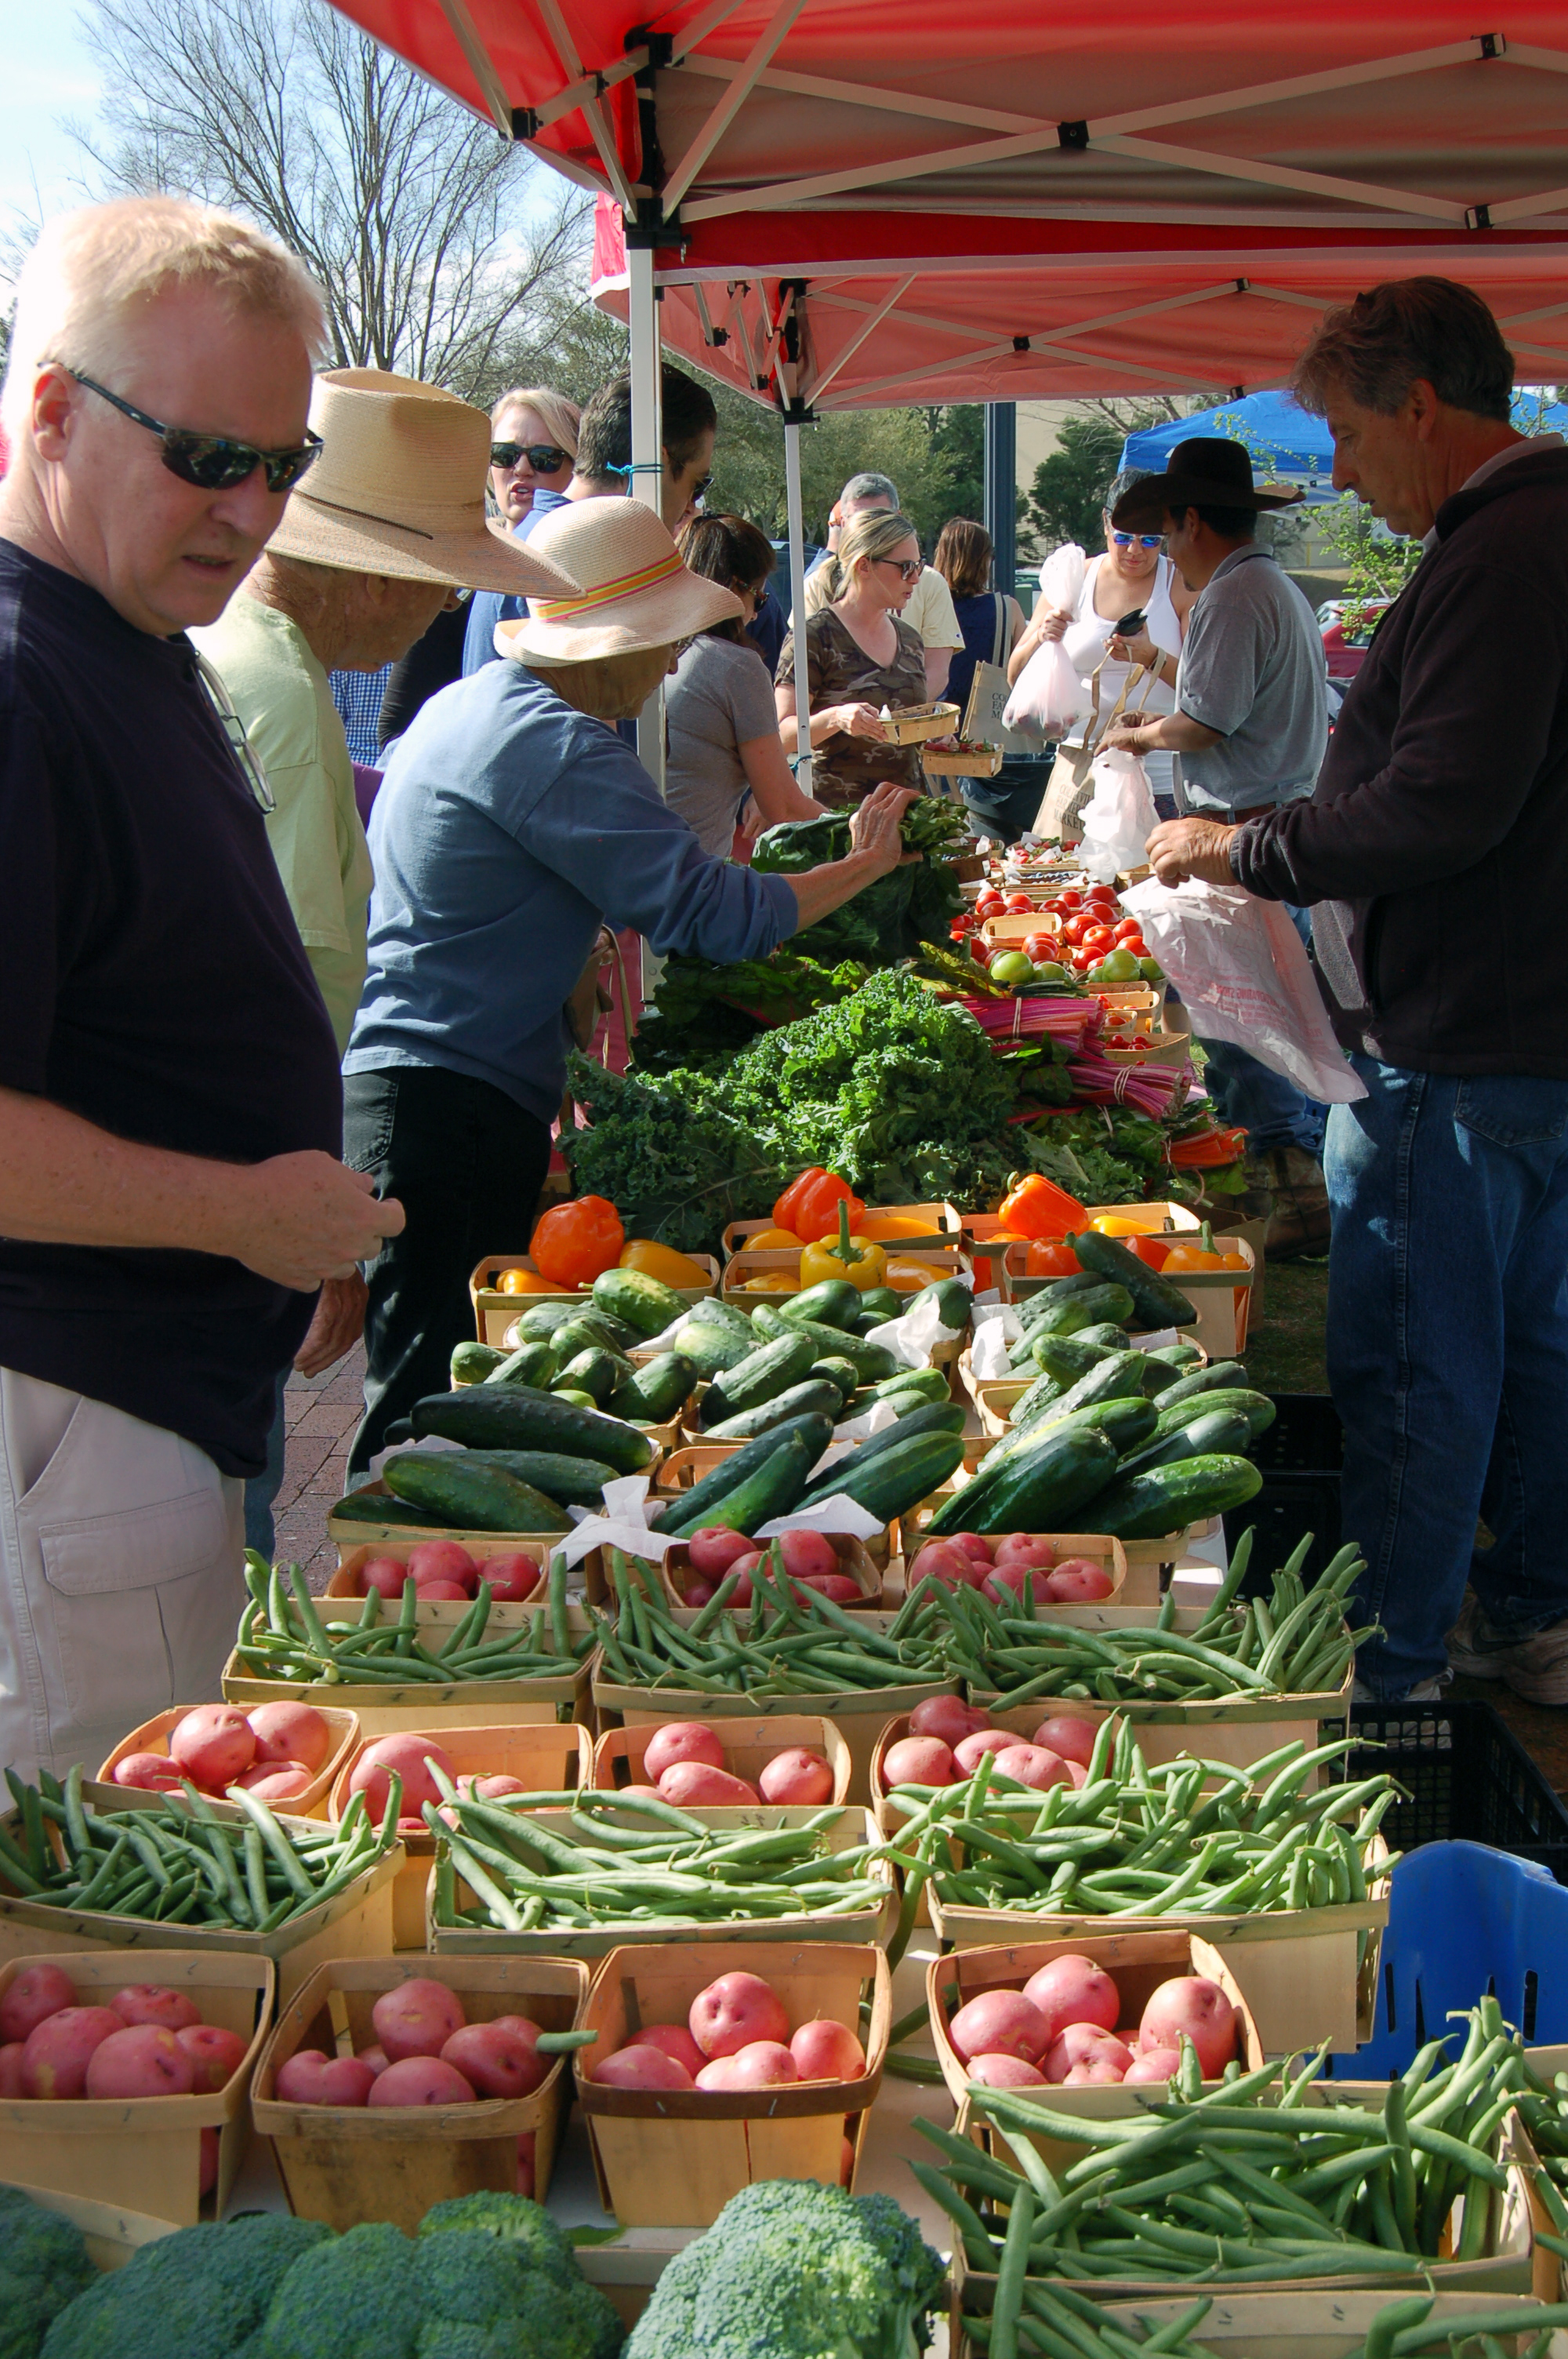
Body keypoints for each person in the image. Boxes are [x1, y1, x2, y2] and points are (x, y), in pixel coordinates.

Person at [0, 194, 402, 1779]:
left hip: (143, 1416)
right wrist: (238, 1212)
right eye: (208, 459)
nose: (250, 512)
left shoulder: (124, 633)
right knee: (92, 1912)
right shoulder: (21, 685)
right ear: (51, 411)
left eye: (283, 465)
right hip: (70, 1421)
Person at [1145, 278, 1568, 1707]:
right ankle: (1529, 1613)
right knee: (1536, 1344)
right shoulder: (1530, 533)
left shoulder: (1505, 550)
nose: (1332, 470)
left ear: (1422, 408)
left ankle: (1388, 1663)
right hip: (1528, 1032)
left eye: (1342, 434)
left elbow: (1442, 803)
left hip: (1458, 1042)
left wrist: (1246, 845)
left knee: (1420, 1360)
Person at [341, 496, 918, 1473]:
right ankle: (389, 1604)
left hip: (423, 1089)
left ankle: (417, 1594)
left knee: (442, 1392)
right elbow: (714, 914)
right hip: (451, 1106)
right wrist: (863, 863)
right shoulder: (561, 746)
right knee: (423, 1414)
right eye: (658, 642)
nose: (664, 668)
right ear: (602, 643)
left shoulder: (469, 704)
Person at [192, 368, 577, 1557]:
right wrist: (338, 1240)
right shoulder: (287, 696)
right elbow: (298, 997)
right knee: (231, 1533)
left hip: (210, 1185)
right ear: (371, 574)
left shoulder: (235, 654)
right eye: (431, 589)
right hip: (246, 1191)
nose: (431, 620)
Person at [1100, 439, 1331, 1257]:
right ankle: (1293, 1186)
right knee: (1274, 1014)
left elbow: (1205, 722)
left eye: (1164, 532)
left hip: (1242, 830)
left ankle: (1290, 1197)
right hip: (1273, 821)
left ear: (1191, 520)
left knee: (1245, 1021)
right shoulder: (1272, 587)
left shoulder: (1235, 597)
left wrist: (1137, 732)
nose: (1162, 552)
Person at [1014, 471, 1194, 836]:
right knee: (1076, 889)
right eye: (1123, 536)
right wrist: (1043, 638)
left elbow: (1202, 688)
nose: (1135, 551)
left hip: (1158, 775)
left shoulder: (1181, 584)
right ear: (1105, 523)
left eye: (1150, 540)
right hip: (1082, 771)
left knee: (1154, 887)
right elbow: (1015, 675)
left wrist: (1150, 657)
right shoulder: (1075, 579)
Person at [665, 514, 824, 856]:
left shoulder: (657, 654)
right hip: (691, 877)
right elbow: (784, 807)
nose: (756, 615)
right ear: (735, 588)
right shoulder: (735, 666)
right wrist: (864, 829)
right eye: (760, 599)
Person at [775, 510, 931, 810]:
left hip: (907, 823)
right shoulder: (814, 637)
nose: (915, 578)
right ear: (864, 566)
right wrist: (836, 718)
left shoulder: (910, 640)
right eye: (906, 567)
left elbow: (908, 732)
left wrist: (938, 738)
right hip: (836, 826)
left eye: (919, 567)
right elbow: (781, 736)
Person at [930, 516, 1050, 843]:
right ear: (984, 560)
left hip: (936, 738)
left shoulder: (928, 607)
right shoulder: (1006, 608)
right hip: (988, 742)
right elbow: (1030, 668)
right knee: (990, 838)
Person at [800, 469, 962, 700]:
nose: (871, 530)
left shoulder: (929, 583)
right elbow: (791, 717)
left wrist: (898, 722)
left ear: (898, 518)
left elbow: (937, 670)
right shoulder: (816, 585)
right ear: (843, 523)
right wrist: (840, 720)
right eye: (859, 520)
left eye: (880, 520)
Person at [459, 385, 580, 676]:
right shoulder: (454, 581)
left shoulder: (582, 572)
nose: (522, 469)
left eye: (545, 458)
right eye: (506, 454)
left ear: (577, 466)